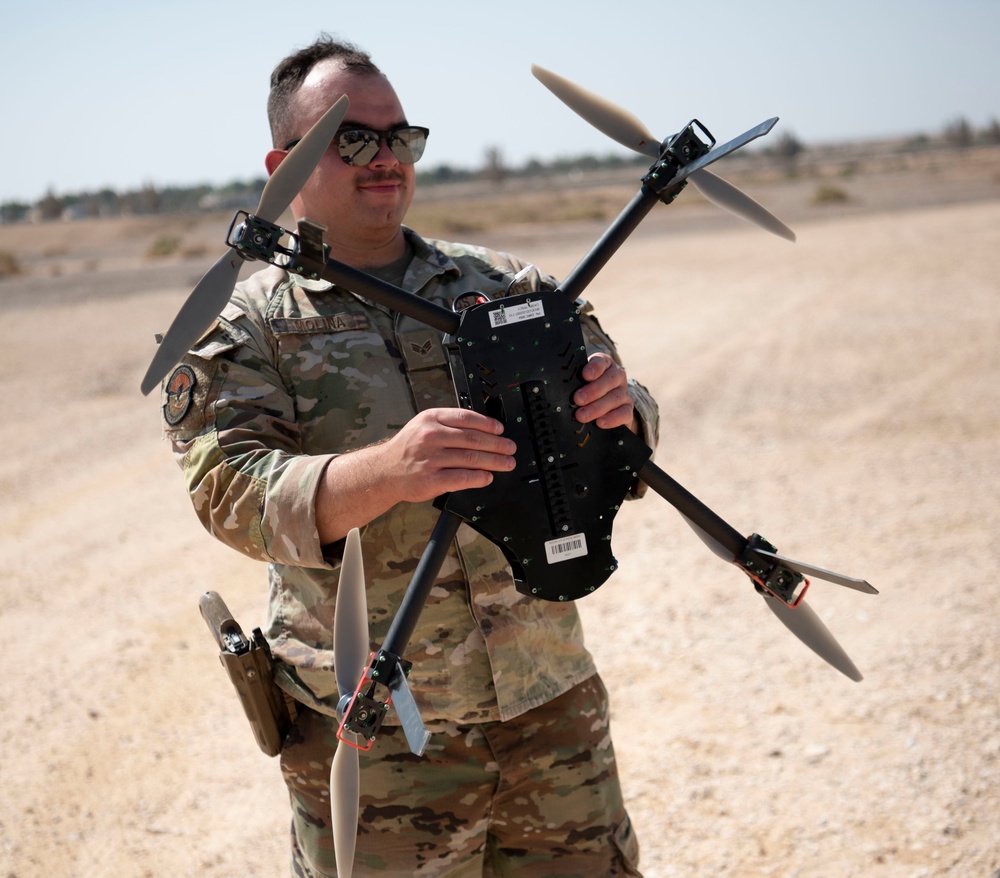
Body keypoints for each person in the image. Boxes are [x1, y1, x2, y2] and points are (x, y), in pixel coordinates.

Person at [161, 33, 658, 878]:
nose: (384, 157)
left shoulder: (509, 288)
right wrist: (388, 471)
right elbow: (233, 496)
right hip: (375, 735)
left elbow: (631, 435)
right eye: (352, 138)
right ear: (285, 163)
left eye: (400, 137)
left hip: (548, 706)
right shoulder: (242, 331)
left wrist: (623, 415)